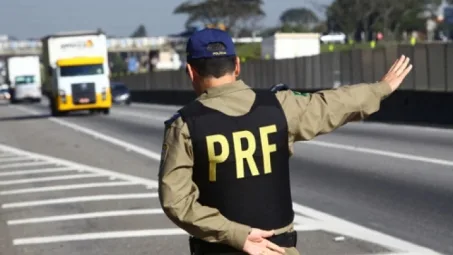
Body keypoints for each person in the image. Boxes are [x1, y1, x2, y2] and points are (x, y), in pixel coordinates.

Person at [158, 28, 412, 255]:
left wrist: (238, 236)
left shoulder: (185, 126)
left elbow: (176, 201)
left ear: (191, 71)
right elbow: (333, 104)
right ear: (237, 65)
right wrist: (381, 88)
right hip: (279, 248)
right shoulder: (279, 106)